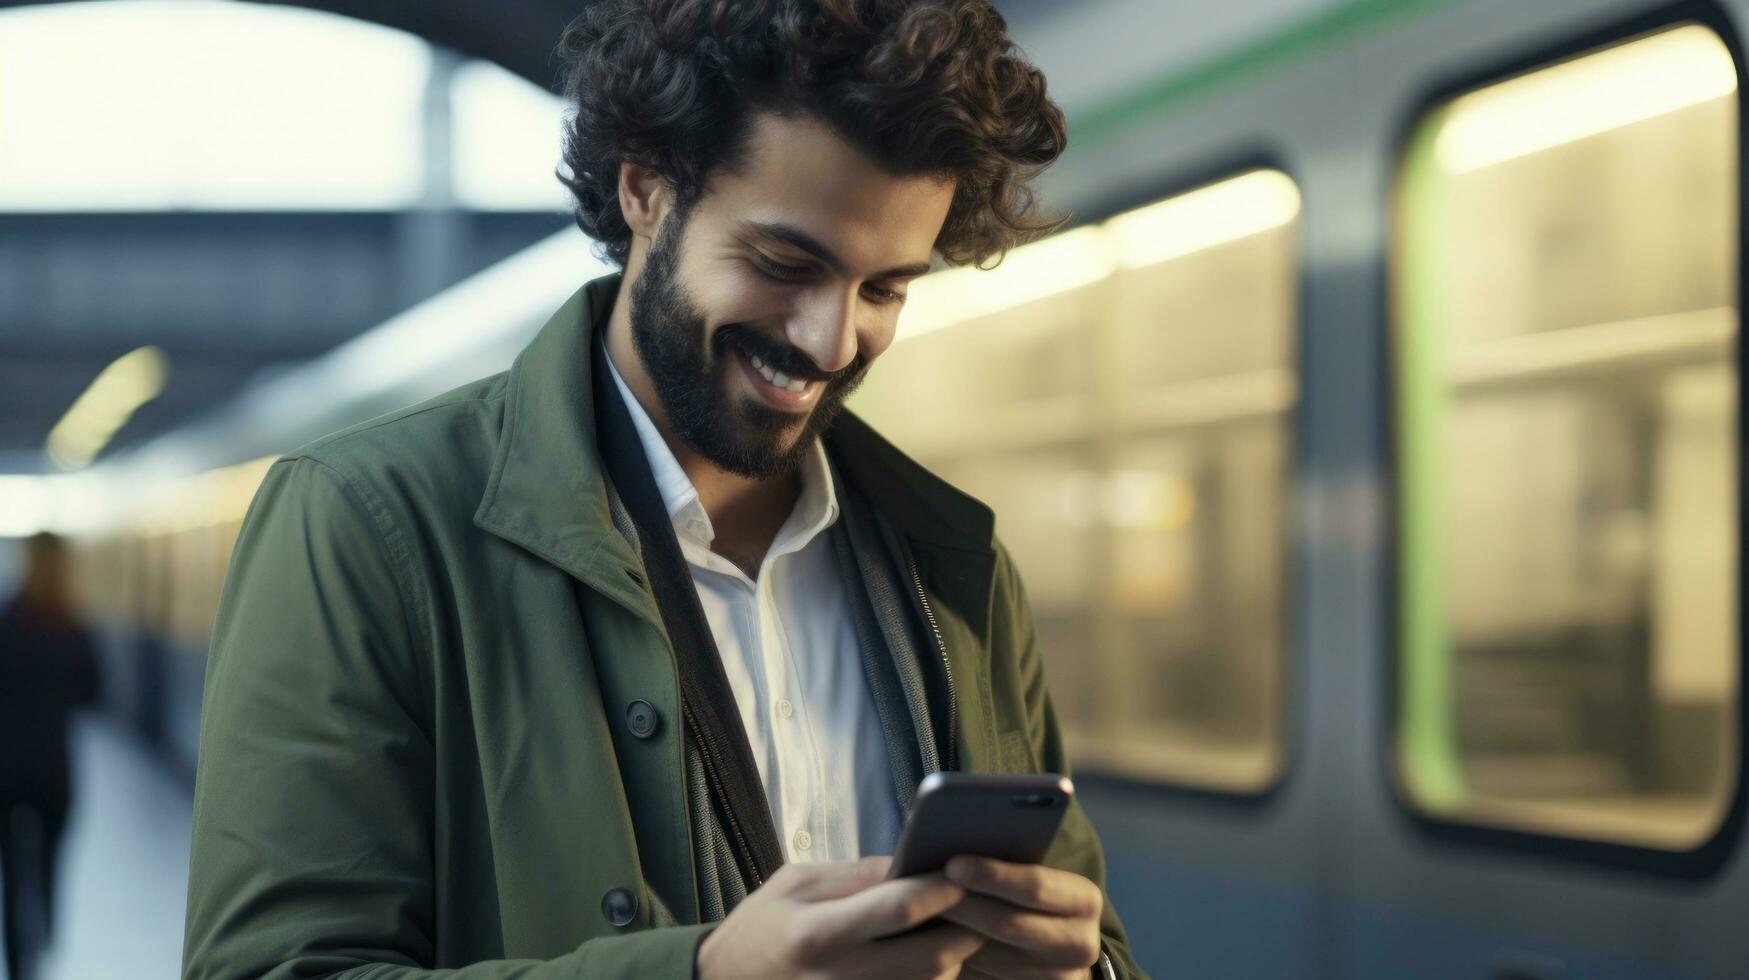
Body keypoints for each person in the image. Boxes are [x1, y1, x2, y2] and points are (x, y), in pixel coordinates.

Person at [183, 1, 1144, 977]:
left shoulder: (958, 565)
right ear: (644, 188)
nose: (830, 339)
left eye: (884, 289)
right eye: (784, 263)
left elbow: (1095, 936)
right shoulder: (357, 524)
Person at [0, 532, 101, 980]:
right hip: (54, 771)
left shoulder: (7, 620)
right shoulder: (70, 623)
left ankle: (20, 960)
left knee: (10, 872)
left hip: (7, 770)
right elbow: (93, 693)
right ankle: (45, 937)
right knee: (48, 863)